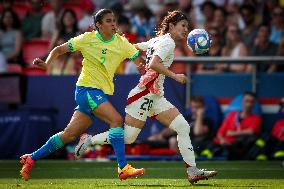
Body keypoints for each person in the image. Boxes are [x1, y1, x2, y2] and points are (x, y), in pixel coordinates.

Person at [76, 10, 217, 184]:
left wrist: (121, 40)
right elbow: (153, 63)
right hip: (143, 94)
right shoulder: (168, 43)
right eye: (183, 25)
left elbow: (135, 47)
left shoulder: (158, 40)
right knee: (128, 138)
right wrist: (176, 76)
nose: (186, 30)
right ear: (171, 26)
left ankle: (193, 171)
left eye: (187, 26)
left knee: (183, 127)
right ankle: (90, 139)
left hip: (155, 97)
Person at [19, 9, 145, 181]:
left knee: (69, 135)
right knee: (116, 120)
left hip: (96, 93)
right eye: (108, 21)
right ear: (98, 25)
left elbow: (139, 61)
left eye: (114, 20)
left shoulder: (122, 43)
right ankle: (123, 168)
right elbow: (58, 49)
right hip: (86, 89)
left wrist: (145, 68)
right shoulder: (87, 39)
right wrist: (46, 64)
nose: (113, 23)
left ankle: (31, 158)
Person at [214, 92, 262, 160]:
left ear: (254, 104)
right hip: (225, 144)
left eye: (251, 102)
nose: (248, 104)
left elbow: (251, 132)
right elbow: (220, 132)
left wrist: (231, 133)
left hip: (240, 146)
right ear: (242, 102)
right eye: (247, 101)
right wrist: (222, 140)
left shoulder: (257, 118)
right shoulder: (231, 115)